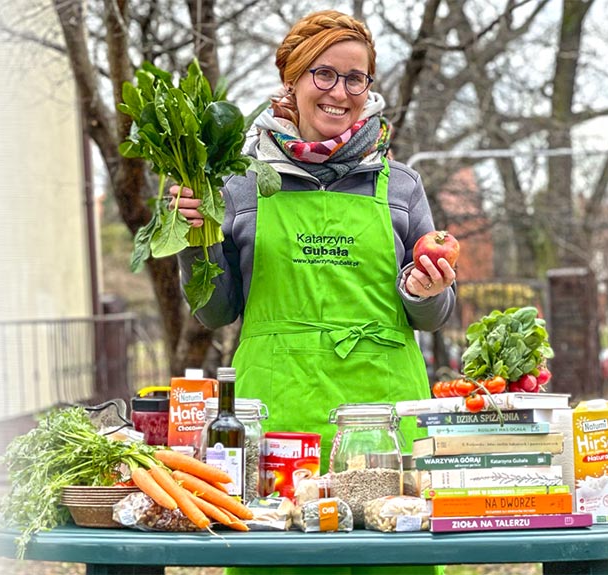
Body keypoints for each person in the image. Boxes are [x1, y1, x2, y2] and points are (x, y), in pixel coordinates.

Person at [175, 13, 453, 571]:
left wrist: (428, 290)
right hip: (281, 419)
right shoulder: (239, 183)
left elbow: (434, 315)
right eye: (323, 74)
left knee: (393, 560)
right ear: (293, 80)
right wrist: (193, 240)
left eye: (357, 79)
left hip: (384, 424)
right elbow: (216, 310)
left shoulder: (399, 184)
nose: (341, 92)